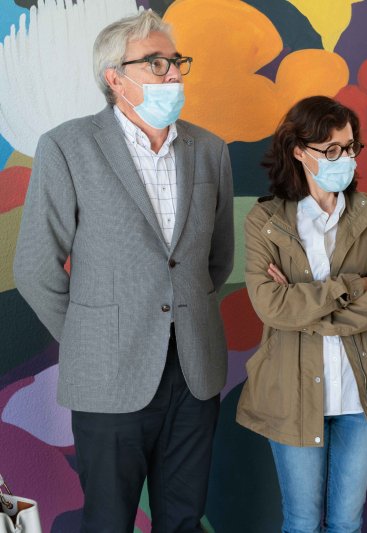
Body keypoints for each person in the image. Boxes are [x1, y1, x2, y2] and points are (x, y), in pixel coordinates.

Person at [13, 10, 234, 532]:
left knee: (183, 520)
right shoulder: (67, 147)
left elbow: (215, 259)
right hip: (108, 379)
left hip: (194, 372)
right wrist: (93, 340)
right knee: (109, 521)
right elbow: (35, 268)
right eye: (157, 63)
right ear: (115, 78)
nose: (174, 73)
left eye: (176, 61)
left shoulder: (210, 151)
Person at [236, 95, 367, 533]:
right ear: (299, 151)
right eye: (330, 150)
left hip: (362, 393)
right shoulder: (265, 219)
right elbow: (270, 305)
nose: (345, 158)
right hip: (289, 393)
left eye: (350, 147)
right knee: (300, 522)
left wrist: (304, 308)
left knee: (346, 521)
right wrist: (350, 287)